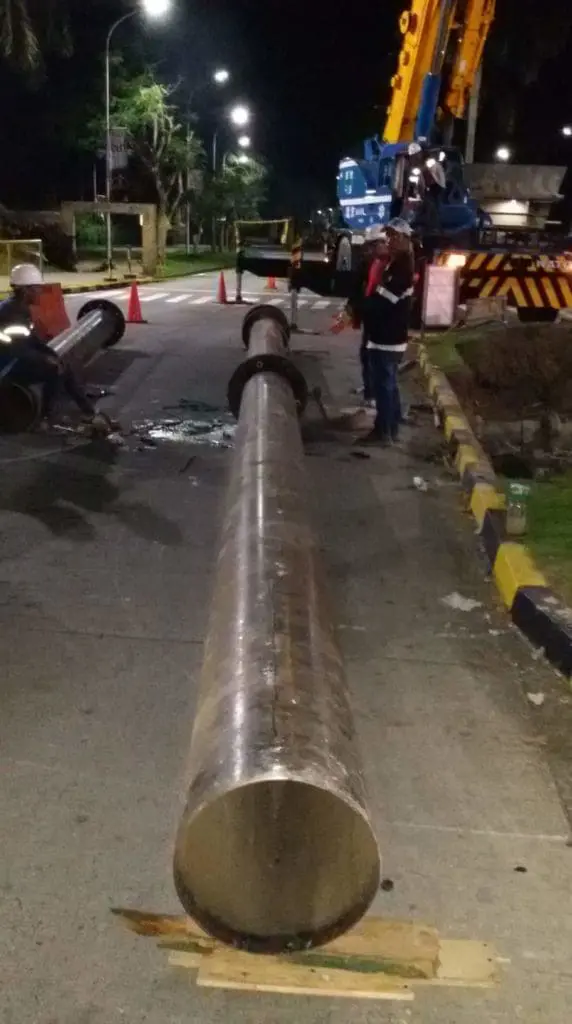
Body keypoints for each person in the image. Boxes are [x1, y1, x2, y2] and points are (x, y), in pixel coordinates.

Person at [0, 263, 110, 431]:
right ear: (25, 290)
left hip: (13, 359)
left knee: (60, 364)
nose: (40, 292)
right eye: (37, 288)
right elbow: (17, 350)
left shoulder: (19, 308)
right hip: (6, 367)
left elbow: (31, 340)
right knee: (55, 370)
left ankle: (88, 411)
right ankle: (46, 418)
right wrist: (46, 360)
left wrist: (52, 355)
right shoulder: (11, 313)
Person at [359, 218, 414, 445]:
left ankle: (384, 432)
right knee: (387, 383)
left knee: (384, 385)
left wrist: (358, 310)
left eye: (394, 236)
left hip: (388, 336)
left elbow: (382, 302)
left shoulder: (401, 269)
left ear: (405, 240)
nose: (389, 241)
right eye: (388, 236)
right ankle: (390, 428)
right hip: (383, 334)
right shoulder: (393, 264)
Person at [346, 226, 389, 405]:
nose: (370, 249)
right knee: (368, 354)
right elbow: (356, 287)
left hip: (384, 317)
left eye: (374, 245)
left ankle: (376, 393)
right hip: (371, 316)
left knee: (378, 357)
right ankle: (371, 392)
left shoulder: (391, 265)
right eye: (370, 245)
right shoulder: (367, 263)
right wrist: (354, 307)